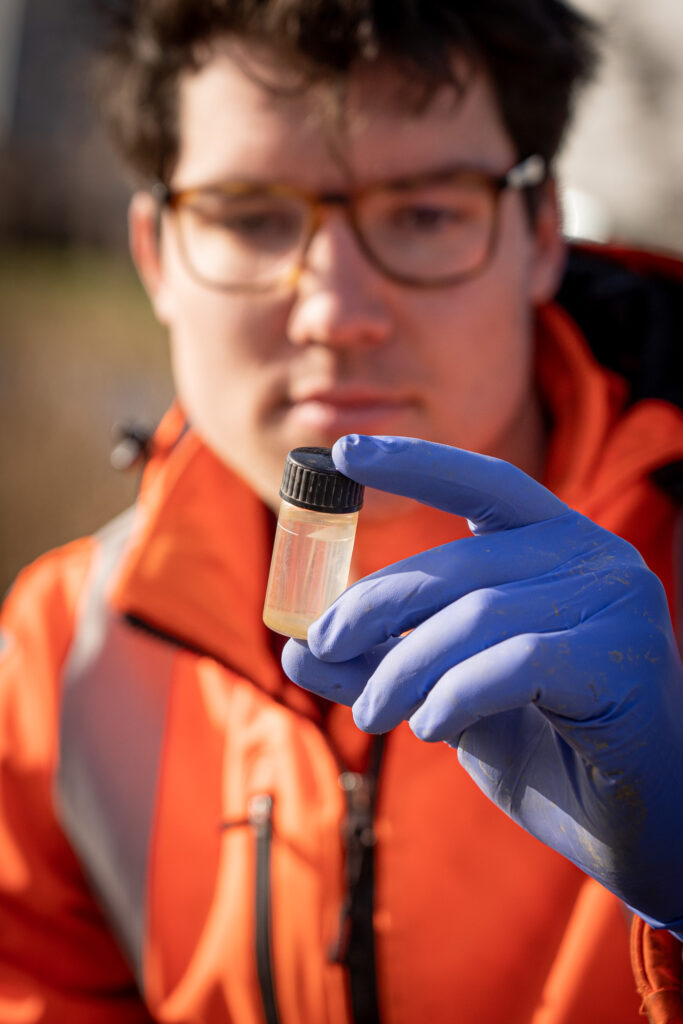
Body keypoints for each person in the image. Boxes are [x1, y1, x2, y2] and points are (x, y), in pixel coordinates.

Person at [1, 1, 683, 1021]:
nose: (334, 311)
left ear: (541, 233)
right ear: (155, 254)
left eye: (423, 210)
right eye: (248, 215)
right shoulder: (61, 658)